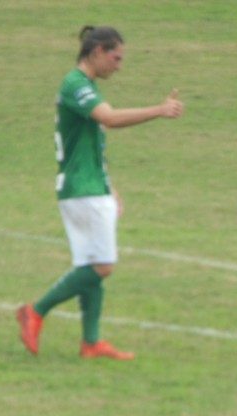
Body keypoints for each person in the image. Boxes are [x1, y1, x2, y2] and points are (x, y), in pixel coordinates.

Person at [16, 25, 183, 360]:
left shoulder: (85, 86)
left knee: (91, 263)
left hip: (91, 186)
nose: (119, 66)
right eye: (115, 57)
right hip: (82, 190)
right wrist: (159, 110)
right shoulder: (75, 85)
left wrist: (110, 187)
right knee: (102, 265)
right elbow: (109, 119)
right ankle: (35, 311)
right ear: (96, 52)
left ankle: (90, 342)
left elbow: (89, 146)